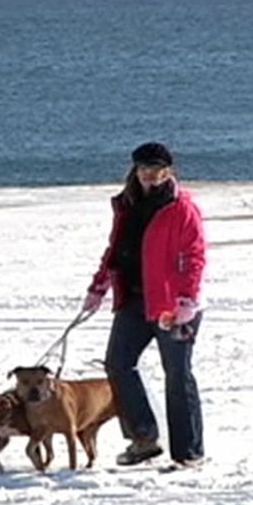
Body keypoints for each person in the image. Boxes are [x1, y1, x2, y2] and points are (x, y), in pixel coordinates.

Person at [82, 141, 207, 468]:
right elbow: (116, 249)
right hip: (134, 299)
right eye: (143, 171)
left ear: (169, 172)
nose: (149, 177)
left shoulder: (182, 208)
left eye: (156, 171)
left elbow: (195, 257)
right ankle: (144, 438)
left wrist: (187, 301)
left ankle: (189, 453)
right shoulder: (127, 204)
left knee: (177, 374)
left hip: (172, 305)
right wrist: (98, 287)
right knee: (118, 363)